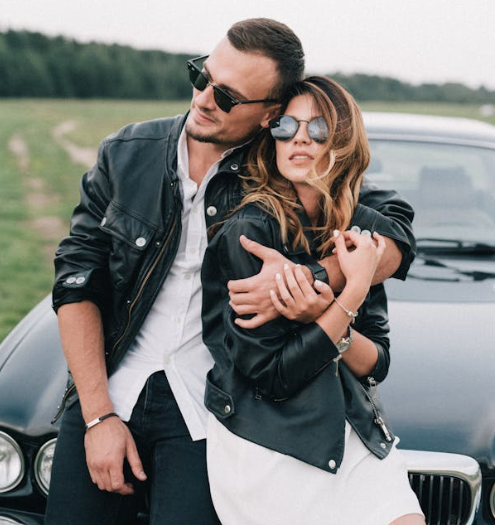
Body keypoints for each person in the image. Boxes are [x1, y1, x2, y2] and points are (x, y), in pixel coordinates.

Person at [46, 18, 416, 525]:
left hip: (212, 409)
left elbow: (391, 231)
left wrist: (312, 279)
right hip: (112, 387)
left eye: (227, 96)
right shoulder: (126, 153)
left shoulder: (286, 165)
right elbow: (74, 281)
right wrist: (97, 415)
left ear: (270, 114)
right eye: (202, 76)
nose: (203, 99)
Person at [202, 76, 425, 525]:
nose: (300, 137)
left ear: (342, 142)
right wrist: (349, 295)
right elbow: (272, 377)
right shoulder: (250, 232)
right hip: (269, 439)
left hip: (351, 428)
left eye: (319, 128)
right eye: (287, 126)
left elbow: (375, 362)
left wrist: (324, 310)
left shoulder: (358, 228)